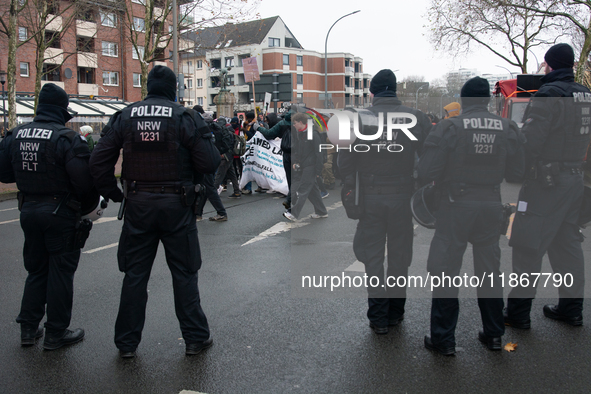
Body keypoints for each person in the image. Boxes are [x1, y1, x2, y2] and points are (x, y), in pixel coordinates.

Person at [89, 65, 221, 358]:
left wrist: (115, 194)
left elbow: (97, 162)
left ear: (146, 87)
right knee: (184, 274)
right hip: (177, 205)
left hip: (138, 205)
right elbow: (210, 163)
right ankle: (195, 339)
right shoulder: (185, 118)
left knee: (135, 276)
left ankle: (126, 344)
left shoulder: (125, 116)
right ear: (174, 89)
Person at [418, 77, 525, 355]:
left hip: (455, 206)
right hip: (490, 204)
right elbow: (516, 173)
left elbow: (428, 171)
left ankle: (444, 340)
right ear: (487, 101)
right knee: (490, 272)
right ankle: (494, 336)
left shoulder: (449, 127)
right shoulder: (507, 127)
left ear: (463, 102)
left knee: (445, 272)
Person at [0, 83, 94, 349]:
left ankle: (29, 329)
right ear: (62, 110)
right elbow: (84, 182)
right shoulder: (66, 137)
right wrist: (85, 209)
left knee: (36, 270)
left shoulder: (15, 134)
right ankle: (55, 332)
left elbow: (4, 173)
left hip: (28, 209)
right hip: (60, 212)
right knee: (61, 272)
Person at [338, 69, 432, 335]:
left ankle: (378, 317)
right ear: (396, 90)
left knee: (373, 258)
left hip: (369, 198)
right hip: (403, 197)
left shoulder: (356, 118)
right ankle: (396, 313)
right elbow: (429, 159)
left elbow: (344, 163)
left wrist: (352, 184)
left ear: (372, 92)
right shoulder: (416, 117)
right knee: (400, 257)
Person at [505, 43, 591, 329]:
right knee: (567, 245)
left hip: (546, 183)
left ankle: (518, 313)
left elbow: (530, 142)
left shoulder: (549, 94)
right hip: (574, 181)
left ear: (550, 65)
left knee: (528, 243)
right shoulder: (585, 95)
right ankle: (572, 308)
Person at [283, 112, 327, 221]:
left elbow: (319, 153)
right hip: (305, 165)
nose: (294, 125)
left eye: (295, 123)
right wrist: (296, 162)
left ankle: (293, 214)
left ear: (301, 122)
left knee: (302, 190)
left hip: (311, 166)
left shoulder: (314, 134)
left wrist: (318, 170)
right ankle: (321, 211)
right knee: (313, 191)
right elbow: (299, 150)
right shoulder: (301, 133)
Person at [192, 105, 228, 222]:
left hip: (205, 159)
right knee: (206, 186)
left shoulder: (200, 124)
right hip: (213, 157)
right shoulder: (210, 123)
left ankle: (221, 213)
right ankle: (198, 213)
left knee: (209, 187)